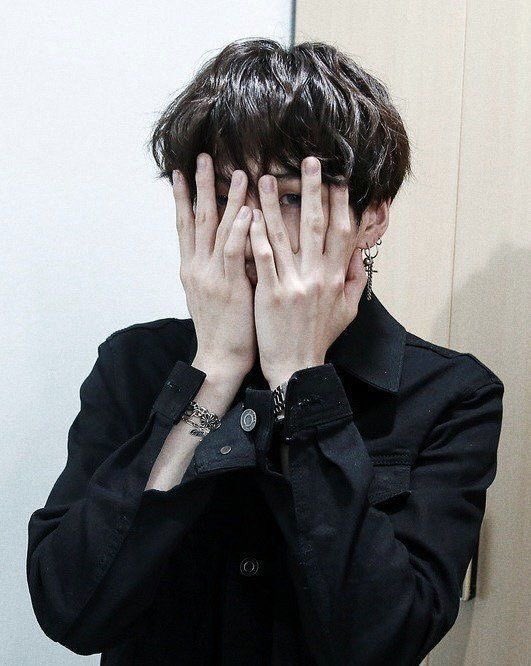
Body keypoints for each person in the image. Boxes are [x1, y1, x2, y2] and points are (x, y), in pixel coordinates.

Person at [26, 38, 504, 665]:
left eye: (293, 197)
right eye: (226, 195)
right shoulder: (136, 364)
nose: (251, 231)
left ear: (373, 216)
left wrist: (302, 380)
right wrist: (214, 373)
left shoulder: (450, 395)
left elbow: (383, 642)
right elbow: (73, 610)